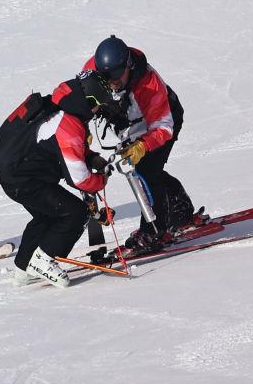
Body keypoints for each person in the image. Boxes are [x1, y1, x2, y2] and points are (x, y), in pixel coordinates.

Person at [0, 71, 112, 288]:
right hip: (25, 181)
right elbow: (79, 178)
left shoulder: (59, 106)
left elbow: (63, 147)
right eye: (98, 105)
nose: (98, 111)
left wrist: (91, 157)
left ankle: (23, 269)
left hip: (15, 177)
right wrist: (101, 180)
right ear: (90, 101)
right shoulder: (69, 123)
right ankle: (44, 260)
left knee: (46, 216)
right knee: (75, 213)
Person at [83, 35, 195, 250]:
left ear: (128, 65)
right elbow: (83, 101)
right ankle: (180, 209)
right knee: (145, 169)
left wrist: (143, 146)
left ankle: (155, 230)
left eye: (116, 74)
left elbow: (163, 127)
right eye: (106, 76)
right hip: (131, 121)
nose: (112, 81)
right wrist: (83, 129)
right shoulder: (94, 71)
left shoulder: (148, 83)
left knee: (146, 170)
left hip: (163, 120)